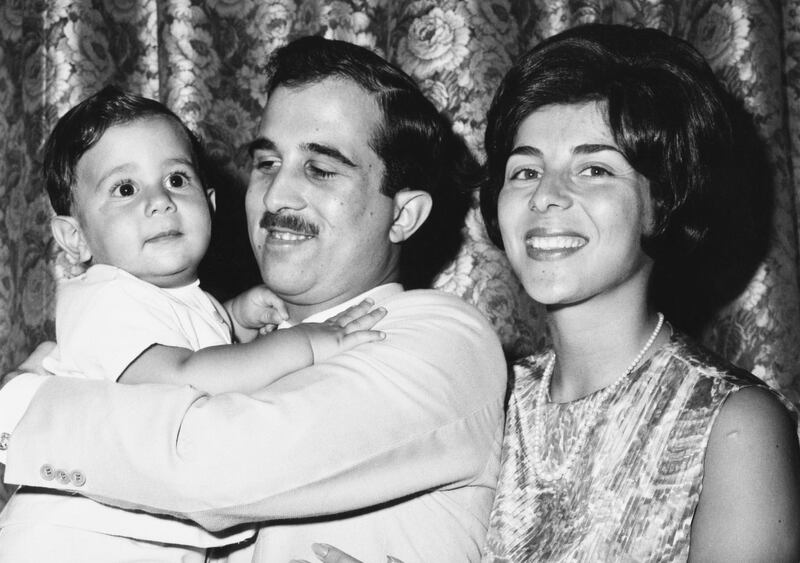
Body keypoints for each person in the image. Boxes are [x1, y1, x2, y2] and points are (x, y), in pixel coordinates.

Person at [303, 23, 800, 563]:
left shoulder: (735, 425)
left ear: (665, 198)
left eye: (594, 168)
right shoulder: (486, 395)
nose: (546, 196)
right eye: (526, 170)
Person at [0, 37, 507, 562]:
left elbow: (212, 466)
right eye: (267, 163)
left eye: (321, 168)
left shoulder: (441, 338)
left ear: (403, 215)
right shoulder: (219, 333)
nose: (276, 195)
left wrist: (29, 410)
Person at [0, 85, 387, 561]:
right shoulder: (101, 296)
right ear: (74, 238)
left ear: (211, 203)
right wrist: (303, 344)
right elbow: (180, 375)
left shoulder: (171, 299)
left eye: (177, 180)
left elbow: (187, 340)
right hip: (71, 542)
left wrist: (235, 317)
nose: (160, 200)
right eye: (125, 189)